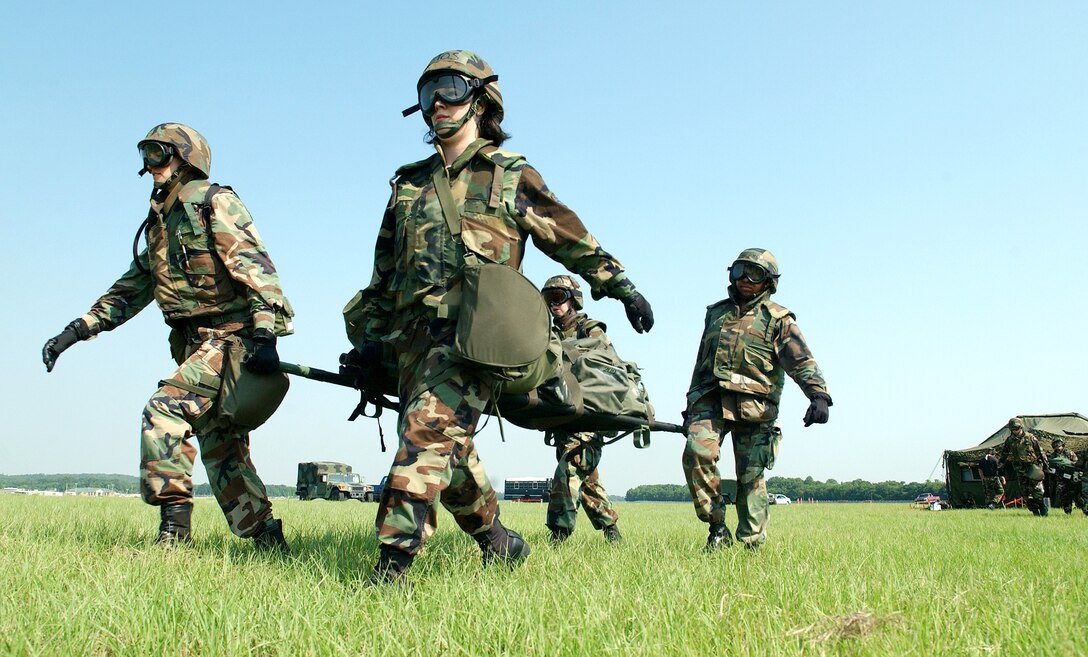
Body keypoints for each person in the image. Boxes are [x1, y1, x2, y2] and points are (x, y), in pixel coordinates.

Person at [343, 50, 654, 582]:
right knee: (450, 451)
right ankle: (497, 539)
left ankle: (390, 569)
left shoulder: (509, 176)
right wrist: (370, 344)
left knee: (424, 437)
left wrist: (619, 286)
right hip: (412, 341)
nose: (437, 104)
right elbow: (383, 276)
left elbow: (568, 235)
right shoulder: (408, 184)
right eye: (426, 94)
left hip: (475, 343)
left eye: (451, 89)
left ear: (482, 100)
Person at [42, 123, 294, 551]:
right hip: (196, 346)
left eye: (159, 155)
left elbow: (257, 271)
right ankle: (269, 542)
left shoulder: (215, 203)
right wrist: (77, 330)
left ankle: (174, 535)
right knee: (222, 449)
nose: (149, 166)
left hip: (234, 342)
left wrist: (266, 336)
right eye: (145, 156)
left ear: (186, 158)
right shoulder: (161, 224)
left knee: (163, 411)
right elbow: (131, 288)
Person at [682, 248, 831, 550]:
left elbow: (800, 360)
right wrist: (691, 405)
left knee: (750, 477)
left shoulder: (779, 319)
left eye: (755, 274)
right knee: (695, 454)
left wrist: (818, 394)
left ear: (769, 282)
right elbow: (701, 362)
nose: (746, 280)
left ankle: (751, 546)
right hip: (710, 400)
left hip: (756, 408)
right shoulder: (716, 313)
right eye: (740, 272)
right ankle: (717, 528)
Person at [540, 275, 622, 544]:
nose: (553, 304)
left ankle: (558, 536)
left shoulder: (591, 330)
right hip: (562, 417)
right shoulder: (545, 334)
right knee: (586, 479)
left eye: (558, 298)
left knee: (570, 469)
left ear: (573, 299)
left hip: (589, 415)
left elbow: (607, 370)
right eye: (548, 299)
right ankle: (613, 533)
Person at [997, 417, 1048, 516]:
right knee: (1026, 494)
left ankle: (1043, 508)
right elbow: (1004, 454)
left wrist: (1045, 465)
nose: (1014, 431)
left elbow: (1040, 452)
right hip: (1020, 470)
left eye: (1016, 428)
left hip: (1033, 468)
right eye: (1012, 429)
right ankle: (1035, 513)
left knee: (1037, 491)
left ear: (1021, 427)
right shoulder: (1010, 440)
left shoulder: (1030, 437)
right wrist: (1000, 467)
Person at [1047, 438, 1078, 514]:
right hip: (1061, 479)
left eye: (1059, 445)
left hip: (1072, 477)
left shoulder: (1069, 453)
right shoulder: (1053, 456)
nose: (1057, 447)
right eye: (1055, 445)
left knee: (1076, 494)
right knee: (1064, 495)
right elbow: (1050, 467)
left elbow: (1076, 463)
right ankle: (1067, 511)